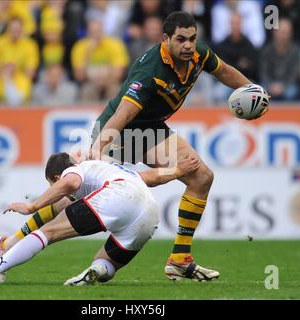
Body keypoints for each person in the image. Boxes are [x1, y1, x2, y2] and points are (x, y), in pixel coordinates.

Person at [89, 11, 267, 281]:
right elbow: (123, 115)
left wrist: (254, 91)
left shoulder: (198, 55)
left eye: (192, 39)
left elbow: (225, 71)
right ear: (165, 39)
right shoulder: (151, 70)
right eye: (181, 39)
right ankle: (12, 243)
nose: (188, 45)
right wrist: (95, 152)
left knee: (201, 176)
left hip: (150, 129)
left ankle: (180, 259)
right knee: (74, 196)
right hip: (118, 132)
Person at [0, 152, 202, 286]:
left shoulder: (75, 170)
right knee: (105, 264)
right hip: (149, 213)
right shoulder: (108, 169)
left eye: (53, 184)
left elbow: (70, 183)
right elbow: (149, 177)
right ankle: (94, 272)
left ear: (56, 175)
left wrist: (32, 205)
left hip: (118, 197)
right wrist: (178, 171)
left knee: (46, 234)